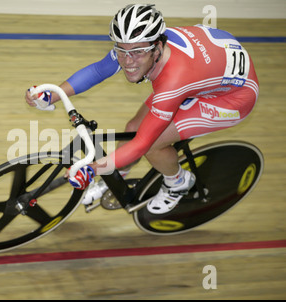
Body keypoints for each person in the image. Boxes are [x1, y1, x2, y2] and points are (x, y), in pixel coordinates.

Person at [25, 4, 259, 214]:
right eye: (121, 50)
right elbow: (98, 70)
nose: (127, 61)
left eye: (137, 52)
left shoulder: (174, 80)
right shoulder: (139, 44)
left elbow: (141, 144)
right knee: (132, 127)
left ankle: (178, 182)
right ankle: (117, 176)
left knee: (153, 144)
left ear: (157, 48)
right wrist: (52, 95)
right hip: (208, 69)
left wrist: (93, 169)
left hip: (233, 98)